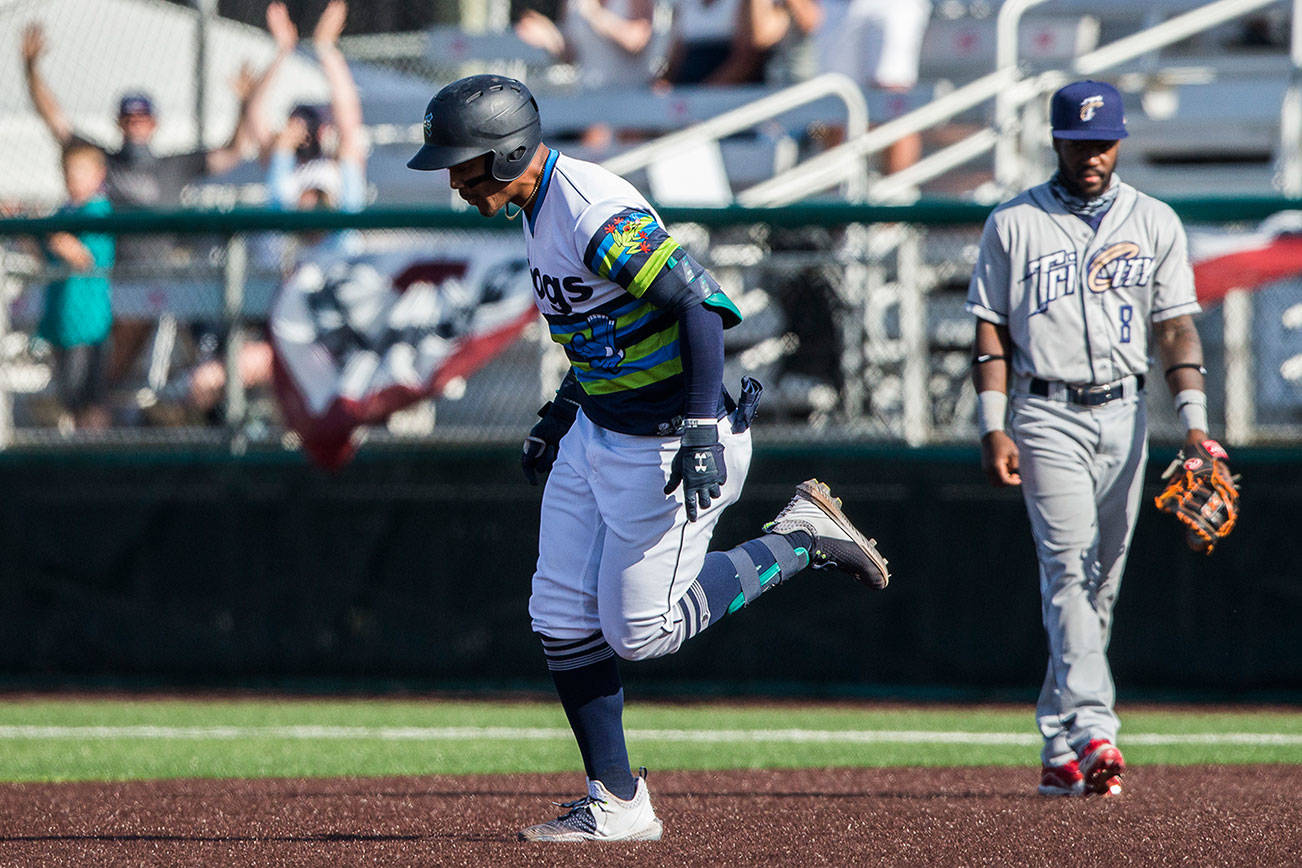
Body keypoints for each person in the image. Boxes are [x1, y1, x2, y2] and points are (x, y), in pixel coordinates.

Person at [408, 73, 891, 841]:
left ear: (506, 155)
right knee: (560, 615)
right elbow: (602, 330)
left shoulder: (590, 208)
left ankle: (800, 539)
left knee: (643, 633)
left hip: (665, 440)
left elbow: (699, 306)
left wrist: (701, 426)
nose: (454, 180)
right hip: (600, 430)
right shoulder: (536, 209)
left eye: (463, 165)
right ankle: (618, 802)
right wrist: (561, 410)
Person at [966, 80, 1213, 798]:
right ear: (1055, 141)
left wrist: (1195, 425)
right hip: (1045, 412)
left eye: (1103, 140)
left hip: (1126, 413)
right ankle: (1097, 728)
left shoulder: (1156, 220)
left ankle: (1058, 741)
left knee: (1098, 582)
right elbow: (990, 330)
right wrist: (992, 425)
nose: (1092, 153)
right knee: (1068, 568)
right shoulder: (1013, 223)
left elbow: (1175, 326)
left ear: (1120, 141)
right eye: (1079, 141)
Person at [20, 21, 260, 398]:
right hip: (107, 281)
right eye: (129, 119)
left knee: (170, 329)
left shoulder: (172, 166)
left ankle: (117, 408)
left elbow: (232, 152)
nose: (136, 126)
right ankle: (98, 410)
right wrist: (31, 70)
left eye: (142, 119)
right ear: (119, 122)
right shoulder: (104, 162)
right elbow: (57, 124)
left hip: (157, 280)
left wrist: (247, 103)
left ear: (154, 123)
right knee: (93, 346)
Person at [36, 141, 115, 431]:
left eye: (81, 172)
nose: (73, 179)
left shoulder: (97, 211)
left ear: (98, 174)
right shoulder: (64, 213)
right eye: (68, 172)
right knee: (70, 396)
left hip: (86, 325)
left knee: (90, 396)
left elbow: (83, 256)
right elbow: (44, 251)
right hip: (61, 322)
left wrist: (52, 236)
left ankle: (94, 454)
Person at [814, 0, 932, 174]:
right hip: (837, 6)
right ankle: (834, 192)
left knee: (891, 99)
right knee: (834, 104)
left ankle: (898, 190)